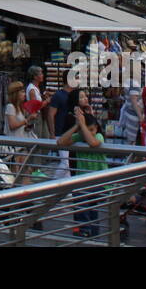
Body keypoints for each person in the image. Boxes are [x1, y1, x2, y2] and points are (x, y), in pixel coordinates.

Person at [57, 88, 106, 237]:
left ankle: (90, 233)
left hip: (95, 180)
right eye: (82, 97)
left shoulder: (95, 133)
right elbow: (61, 142)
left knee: (91, 209)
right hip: (81, 175)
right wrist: (78, 126)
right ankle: (84, 231)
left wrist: (84, 123)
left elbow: (93, 141)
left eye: (86, 96)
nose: (85, 99)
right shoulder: (76, 123)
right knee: (84, 205)